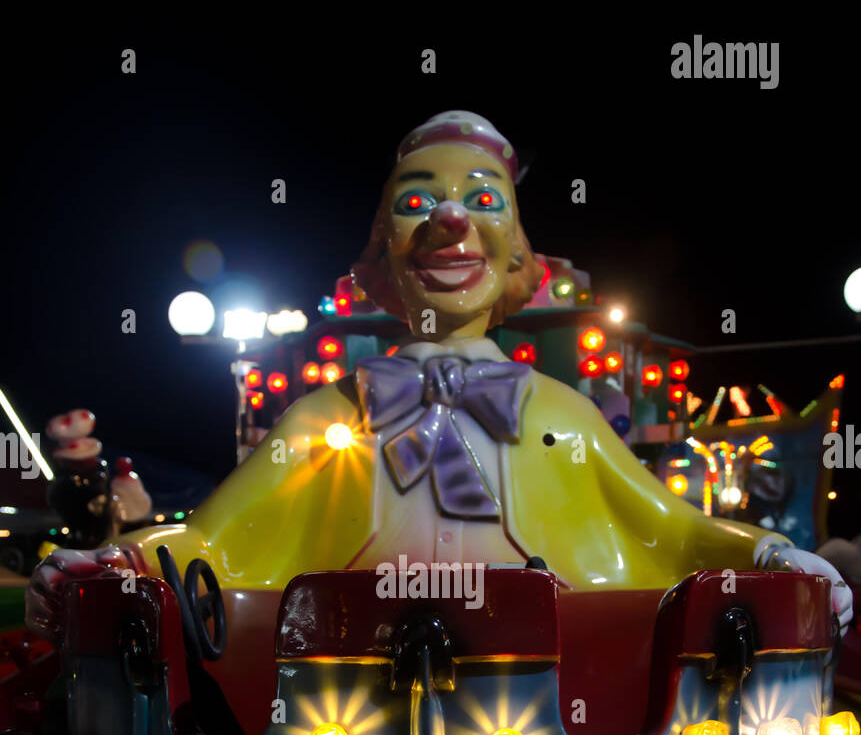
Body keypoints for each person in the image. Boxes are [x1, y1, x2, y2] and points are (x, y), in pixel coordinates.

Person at [26, 110, 853, 640]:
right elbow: (216, 539)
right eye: (418, 204)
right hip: (340, 715)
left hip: (552, 711)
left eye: (482, 201)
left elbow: (666, 530)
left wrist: (777, 558)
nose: (451, 220)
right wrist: (123, 564)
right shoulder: (323, 420)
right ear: (381, 252)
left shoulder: (560, 414)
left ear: (516, 254)